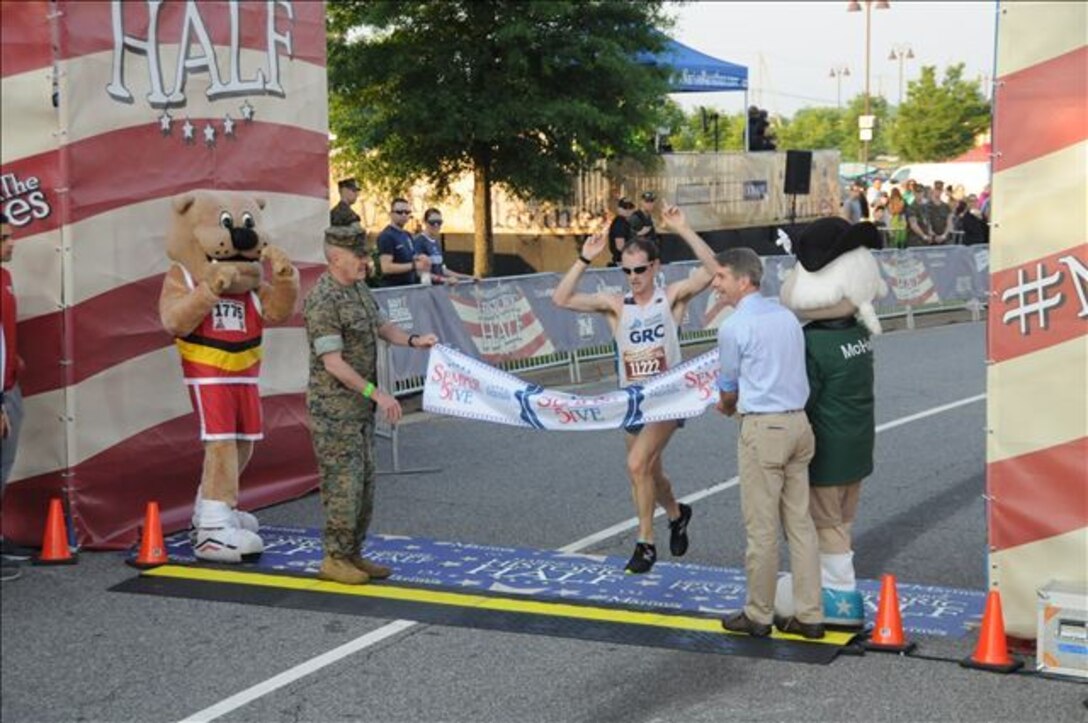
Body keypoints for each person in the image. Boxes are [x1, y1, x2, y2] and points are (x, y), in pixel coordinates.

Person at [550, 205, 715, 574]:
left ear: (655, 267)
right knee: (649, 473)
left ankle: (646, 542)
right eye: (626, 271)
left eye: (640, 270)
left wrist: (685, 229)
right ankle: (676, 512)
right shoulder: (615, 305)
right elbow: (560, 300)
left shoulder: (670, 296)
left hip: (669, 398)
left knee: (637, 463)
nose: (634, 277)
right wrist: (583, 259)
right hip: (633, 401)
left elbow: (714, 270)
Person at [304, 223, 438, 585]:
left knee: (364, 486)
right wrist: (376, 394)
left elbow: (382, 326)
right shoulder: (323, 300)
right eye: (358, 255)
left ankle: (353, 553)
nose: (366, 261)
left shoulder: (359, 290)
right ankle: (334, 557)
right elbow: (333, 364)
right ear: (335, 259)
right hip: (335, 411)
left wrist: (413, 340)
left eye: (365, 254)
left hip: (358, 410)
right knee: (342, 486)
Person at [712, 246, 824, 640]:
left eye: (722, 277)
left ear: (743, 281)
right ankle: (810, 613)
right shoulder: (786, 316)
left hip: (764, 428)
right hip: (799, 424)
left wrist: (726, 406)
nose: (716, 284)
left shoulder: (733, 326)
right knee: (801, 525)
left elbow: (728, 386)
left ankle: (758, 613)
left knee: (761, 529)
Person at [1, 213, 27, 582]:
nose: (12, 242)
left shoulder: (4, 277)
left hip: (9, 387)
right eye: (4, 237)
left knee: (3, 467)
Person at [413, 208, 475, 284]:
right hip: (425, 291)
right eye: (432, 222)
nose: (436, 225)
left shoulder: (436, 242)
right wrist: (444, 280)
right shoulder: (419, 241)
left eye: (439, 222)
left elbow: (442, 270)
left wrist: (468, 277)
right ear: (425, 222)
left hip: (439, 290)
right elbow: (420, 272)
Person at [377, 198, 430, 287]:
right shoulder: (386, 236)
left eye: (407, 212)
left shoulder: (407, 235)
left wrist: (420, 258)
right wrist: (414, 265)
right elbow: (386, 268)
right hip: (394, 290)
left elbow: (410, 256)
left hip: (409, 288)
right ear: (391, 214)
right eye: (399, 212)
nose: (404, 215)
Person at [606, 197, 636, 266]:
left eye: (630, 207)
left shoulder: (624, 222)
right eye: (625, 208)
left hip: (625, 261)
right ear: (619, 209)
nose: (628, 210)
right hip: (623, 263)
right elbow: (620, 246)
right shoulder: (620, 223)